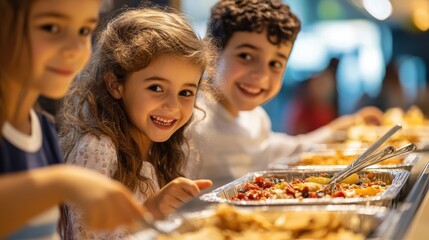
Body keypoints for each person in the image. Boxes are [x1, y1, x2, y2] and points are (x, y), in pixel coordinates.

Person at [186, 0, 383, 188]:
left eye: (275, 64)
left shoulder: (256, 118)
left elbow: (281, 151)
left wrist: (338, 129)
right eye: (246, 56)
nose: (262, 75)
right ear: (211, 53)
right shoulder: (189, 122)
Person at [57, 7, 216, 239]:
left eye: (186, 92)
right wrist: (151, 210)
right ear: (115, 85)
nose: (173, 106)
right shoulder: (98, 149)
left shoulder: (163, 148)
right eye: (156, 88)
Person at [0, 0, 146, 239]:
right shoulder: (61, 179)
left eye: (84, 31)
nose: (75, 48)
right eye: (51, 27)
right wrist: (61, 183)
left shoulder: (42, 129)